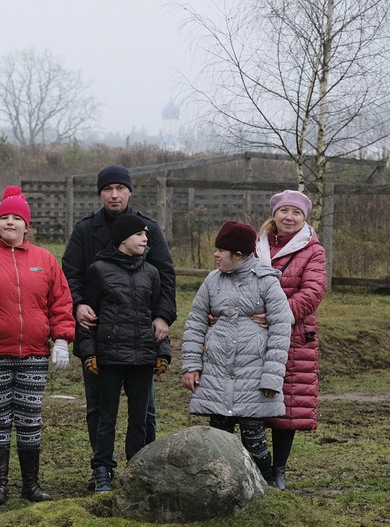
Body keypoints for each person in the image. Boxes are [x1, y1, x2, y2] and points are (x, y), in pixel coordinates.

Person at [0, 186, 75, 505]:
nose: (9, 222)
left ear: (27, 225)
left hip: (34, 353)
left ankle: (31, 485)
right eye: (4, 218)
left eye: (16, 218)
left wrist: (62, 339)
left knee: (29, 417)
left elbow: (61, 302)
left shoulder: (46, 260)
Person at [62, 165, 176, 489]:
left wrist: (163, 316)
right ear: (100, 193)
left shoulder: (148, 228)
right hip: (100, 334)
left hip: (141, 337)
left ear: (130, 191)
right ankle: (103, 469)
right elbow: (70, 272)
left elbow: (165, 276)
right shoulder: (85, 231)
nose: (114, 195)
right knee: (100, 406)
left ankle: (142, 467)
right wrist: (78, 303)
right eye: (107, 189)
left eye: (120, 188)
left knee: (145, 410)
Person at [181, 220, 293, 483]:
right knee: (217, 444)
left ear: (239, 255)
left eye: (221, 250)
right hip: (217, 377)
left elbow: (281, 330)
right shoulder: (212, 281)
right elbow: (195, 322)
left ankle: (266, 493)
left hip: (253, 381)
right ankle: (220, 492)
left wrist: (271, 378)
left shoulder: (266, 282)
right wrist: (191, 365)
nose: (216, 255)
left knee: (255, 445)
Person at [255, 190, 326, 489]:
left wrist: (276, 315)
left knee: (288, 401)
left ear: (304, 218)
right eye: (284, 211)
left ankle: (279, 470)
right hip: (252, 332)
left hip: (294, 334)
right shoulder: (254, 245)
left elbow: (313, 292)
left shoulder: (313, 250)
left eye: (296, 213)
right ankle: (259, 466)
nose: (289, 217)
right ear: (274, 214)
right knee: (253, 398)